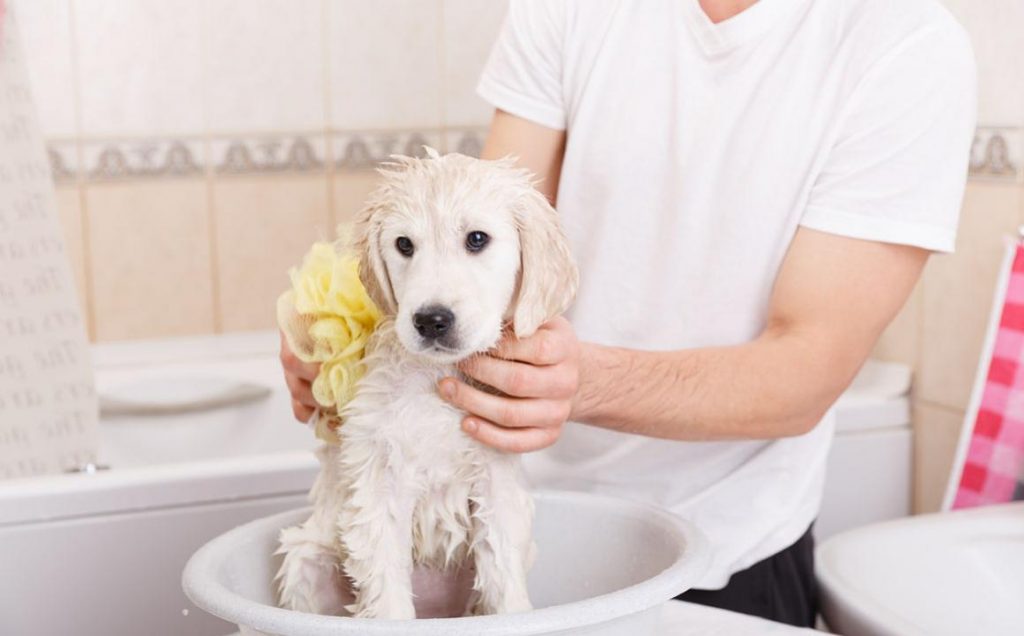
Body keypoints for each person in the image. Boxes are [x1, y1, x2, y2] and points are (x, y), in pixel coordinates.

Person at [281, 0, 975, 627]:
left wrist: (586, 383)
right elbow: (482, 245)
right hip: (514, 517)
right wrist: (344, 339)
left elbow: (808, 370)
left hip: (725, 547)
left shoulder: (903, 44)